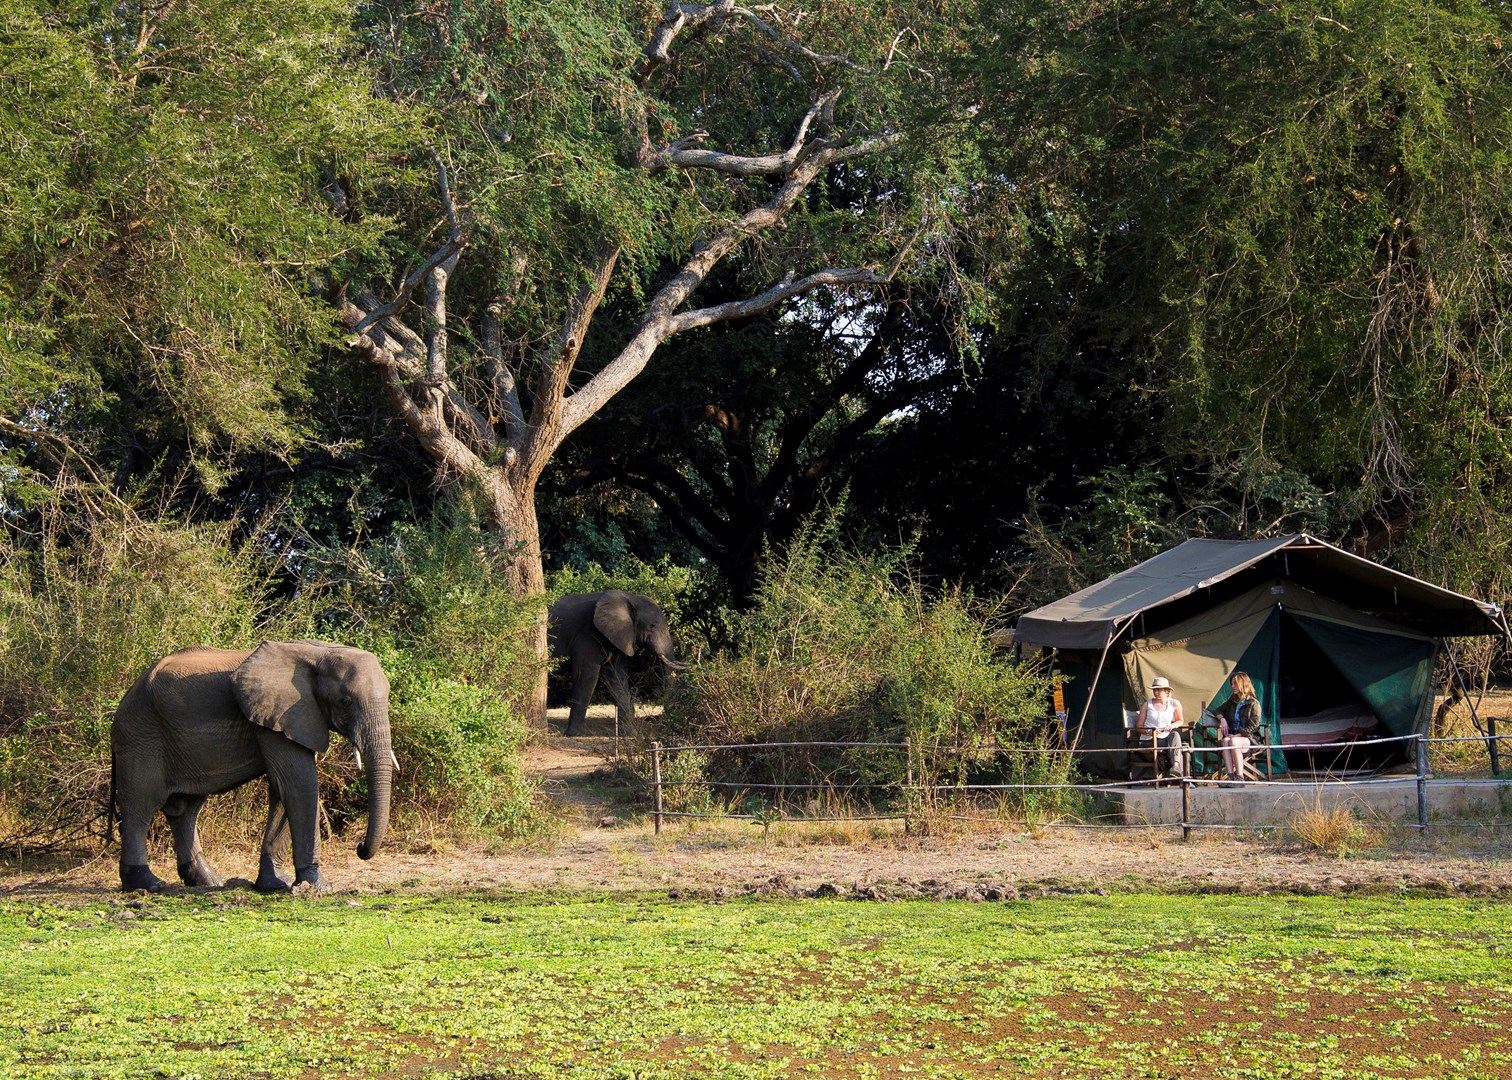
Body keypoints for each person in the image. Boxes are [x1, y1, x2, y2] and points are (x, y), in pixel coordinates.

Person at [1216, 671, 1264, 782]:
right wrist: (1222, 719)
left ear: (1243, 684)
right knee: (1225, 741)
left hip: (1250, 739)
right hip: (1234, 736)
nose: (1232, 686)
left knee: (1233, 741)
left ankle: (1240, 777)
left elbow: (1253, 726)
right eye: (1232, 684)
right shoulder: (1233, 701)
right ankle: (1231, 776)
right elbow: (1217, 710)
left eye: (1235, 683)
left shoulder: (1253, 703)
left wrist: (1237, 735)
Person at [1137, 677, 1185, 778]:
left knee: (1175, 735)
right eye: (1154, 689)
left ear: (1166, 691)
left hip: (1165, 736)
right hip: (1149, 739)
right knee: (1179, 748)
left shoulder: (1174, 703)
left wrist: (1172, 725)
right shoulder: (1147, 705)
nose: (1156, 692)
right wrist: (1149, 732)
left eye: (1159, 689)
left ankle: (1176, 767)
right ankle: (1181, 778)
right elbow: (1139, 726)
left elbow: (1180, 720)